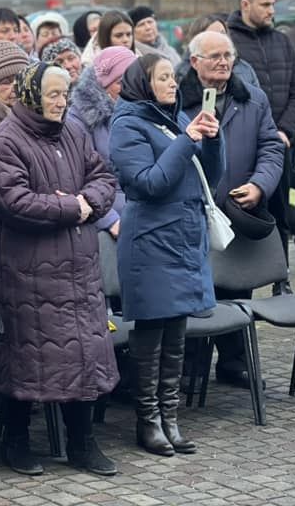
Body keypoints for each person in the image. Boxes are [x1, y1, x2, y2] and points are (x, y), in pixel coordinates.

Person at [0, 61, 119, 477]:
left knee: (83, 352)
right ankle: (16, 442)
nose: (61, 102)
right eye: (53, 94)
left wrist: (85, 202)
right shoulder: (4, 141)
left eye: (65, 93)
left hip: (79, 267)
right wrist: (70, 206)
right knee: (27, 355)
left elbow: (104, 178)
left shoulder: (74, 132)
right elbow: (14, 201)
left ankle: (82, 444)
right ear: (30, 95)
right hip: (28, 270)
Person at [109, 54, 222, 457]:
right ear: (143, 82)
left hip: (182, 238)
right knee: (152, 335)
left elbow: (212, 176)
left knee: (177, 333)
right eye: (163, 77)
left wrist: (212, 139)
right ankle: (148, 420)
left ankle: (170, 418)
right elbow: (149, 183)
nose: (173, 83)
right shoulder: (127, 125)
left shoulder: (168, 119)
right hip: (151, 240)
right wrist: (186, 140)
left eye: (173, 77)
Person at [179, 31, 283, 388]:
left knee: (236, 290)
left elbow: (271, 147)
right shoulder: (177, 99)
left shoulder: (252, 99)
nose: (224, 62)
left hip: (237, 210)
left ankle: (234, 361)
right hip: (191, 213)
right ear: (195, 62)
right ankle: (190, 366)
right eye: (214, 57)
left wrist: (259, 184)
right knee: (194, 288)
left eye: (228, 55)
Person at [227, 0, 295, 273]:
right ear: (245, 4)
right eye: (266, 4)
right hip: (241, 143)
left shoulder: (282, 41)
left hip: (279, 143)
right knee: (238, 208)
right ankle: (235, 274)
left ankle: (280, 274)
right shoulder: (228, 41)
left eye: (273, 4)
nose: (272, 10)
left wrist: (284, 131)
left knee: (281, 212)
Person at [67, 46, 138, 240]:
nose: (131, 87)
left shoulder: (146, 110)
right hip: (111, 220)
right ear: (103, 85)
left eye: (136, 79)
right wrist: (109, 220)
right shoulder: (79, 120)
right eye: (121, 82)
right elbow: (77, 179)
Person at [176, 13, 258, 87]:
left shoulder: (244, 68)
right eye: (212, 34)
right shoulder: (182, 72)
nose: (220, 38)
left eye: (222, 33)